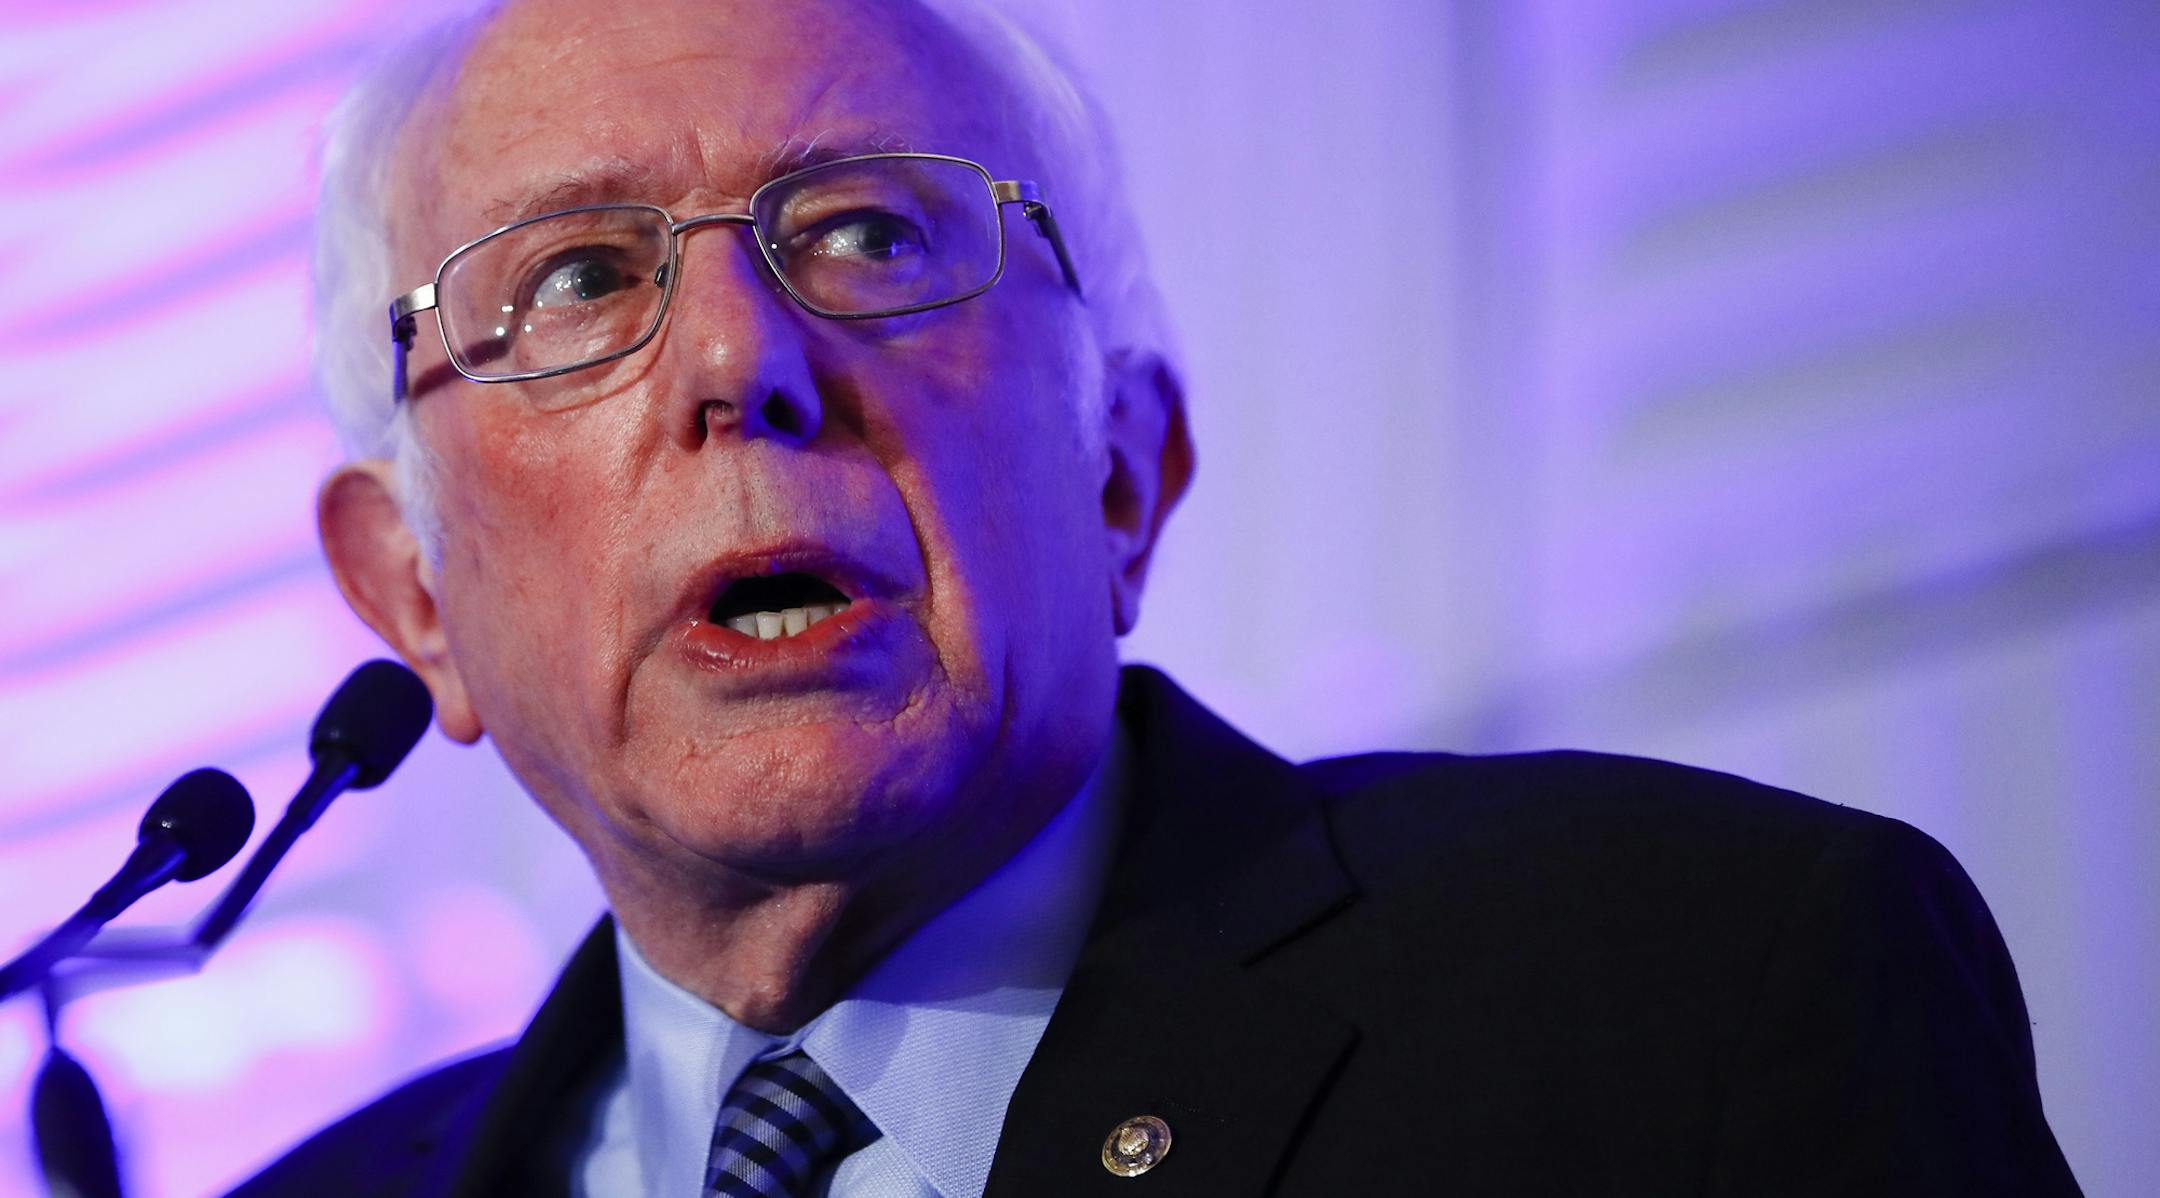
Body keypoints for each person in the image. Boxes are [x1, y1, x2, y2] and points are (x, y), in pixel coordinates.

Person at [231, 0, 2082, 1194]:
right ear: (414, 593)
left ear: (1121, 474)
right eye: (572, 278)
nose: (740, 356)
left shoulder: (1695, 992)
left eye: (872, 230)